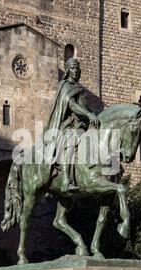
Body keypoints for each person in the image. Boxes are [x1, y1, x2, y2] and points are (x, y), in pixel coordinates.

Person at [43, 58, 99, 192]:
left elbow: (85, 107)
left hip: (81, 125)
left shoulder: (80, 89)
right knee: (71, 143)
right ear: (68, 70)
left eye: (77, 69)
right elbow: (72, 105)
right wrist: (88, 114)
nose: (76, 71)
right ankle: (65, 181)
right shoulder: (65, 86)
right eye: (73, 68)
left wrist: (94, 115)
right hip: (68, 125)